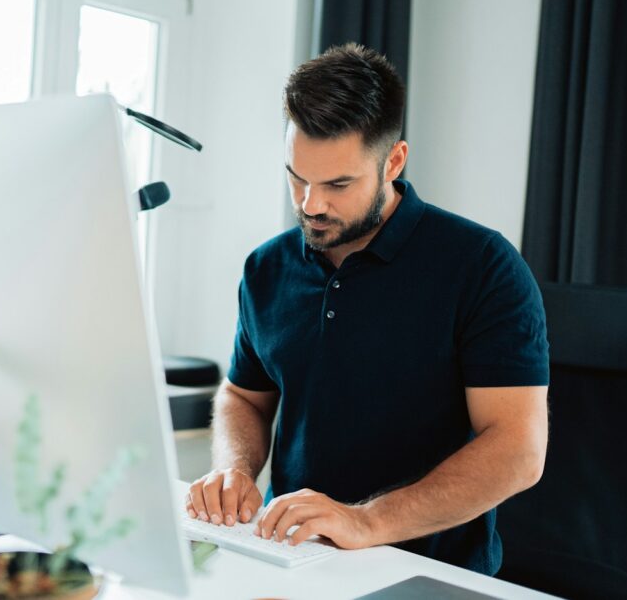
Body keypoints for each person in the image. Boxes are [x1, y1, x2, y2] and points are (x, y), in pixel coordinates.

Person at [185, 44, 549, 575]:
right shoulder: (266, 268)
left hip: (428, 573)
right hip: (291, 557)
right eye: (297, 177)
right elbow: (244, 394)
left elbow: (518, 450)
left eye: (337, 184)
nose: (310, 204)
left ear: (393, 161)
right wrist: (234, 469)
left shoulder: (482, 266)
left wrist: (366, 521)